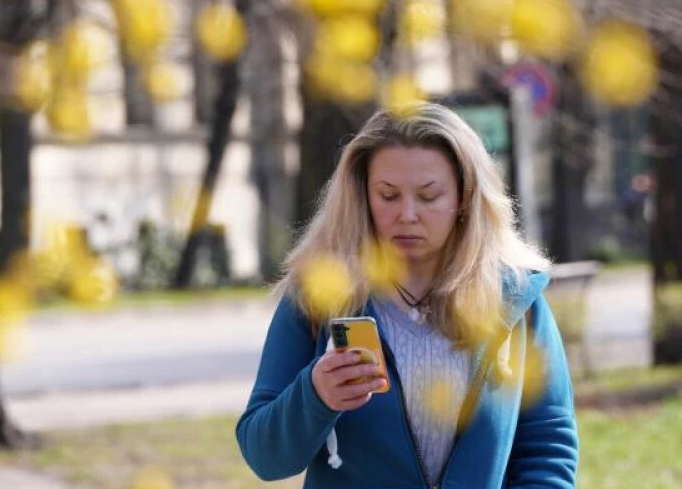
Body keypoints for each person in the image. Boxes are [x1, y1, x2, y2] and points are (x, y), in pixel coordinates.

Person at [236, 103, 578, 488]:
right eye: (388, 195)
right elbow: (263, 457)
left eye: (429, 196)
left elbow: (547, 448)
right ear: (362, 195)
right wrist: (315, 396)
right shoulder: (317, 296)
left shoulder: (515, 299)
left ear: (465, 197)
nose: (408, 214)